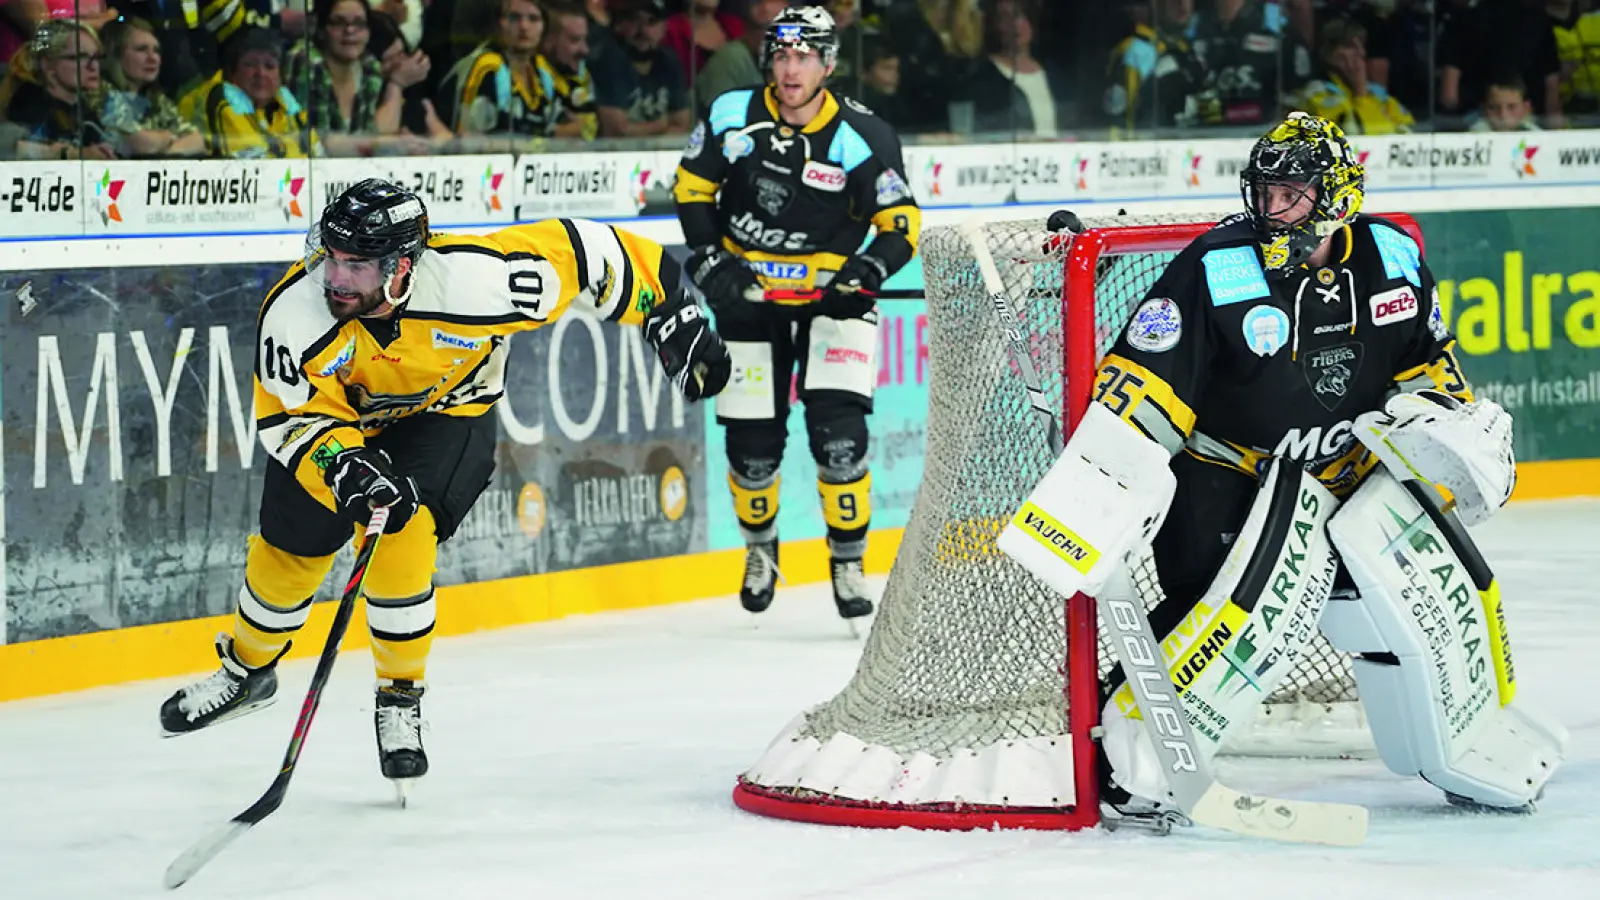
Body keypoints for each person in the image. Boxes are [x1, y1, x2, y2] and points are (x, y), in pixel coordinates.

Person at [1008, 112, 1562, 822]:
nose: (1271, 209)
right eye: (1264, 192)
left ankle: (1463, 737)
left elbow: (1428, 365)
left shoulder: (1390, 255)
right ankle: (1128, 754)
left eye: (1291, 194)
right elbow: (1145, 379)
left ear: (1336, 197)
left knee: (1435, 603)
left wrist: (1439, 422)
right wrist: (1111, 473)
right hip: (1231, 476)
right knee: (1213, 611)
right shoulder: (1216, 267)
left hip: (1348, 478)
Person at [158, 179, 731, 789]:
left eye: (356, 265)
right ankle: (248, 671)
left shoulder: (477, 283)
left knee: (403, 535)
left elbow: (589, 252)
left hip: (447, 415)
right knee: (289, 552)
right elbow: (290, 418)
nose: (336, 277)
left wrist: (671, 306)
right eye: (332, 257)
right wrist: (342, 465)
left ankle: (399, 698)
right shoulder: (294, 315)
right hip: (338, 427)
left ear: (402, 266)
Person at [674, 6, 920, 620]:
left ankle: (848, 561)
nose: (791, 69)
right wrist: (710, 264)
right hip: (748, 299)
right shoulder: (731, 112)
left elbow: (901, 225)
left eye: (805, 56)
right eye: (781, 56)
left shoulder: (863, 135)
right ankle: (761, 552)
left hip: (834, 300)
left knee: (840, 441)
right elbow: (691, 190)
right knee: (752, 449)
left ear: (828, 64)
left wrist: (865, 273)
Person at [595, 0, 690, 138]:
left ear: (664, 27)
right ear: (619, 25)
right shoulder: (608, 61)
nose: (643, 30)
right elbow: (616, 132)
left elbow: (681, 125)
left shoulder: (669, 61)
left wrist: (642, 131)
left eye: (652, 22)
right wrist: (661, 125)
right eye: (634, 20)